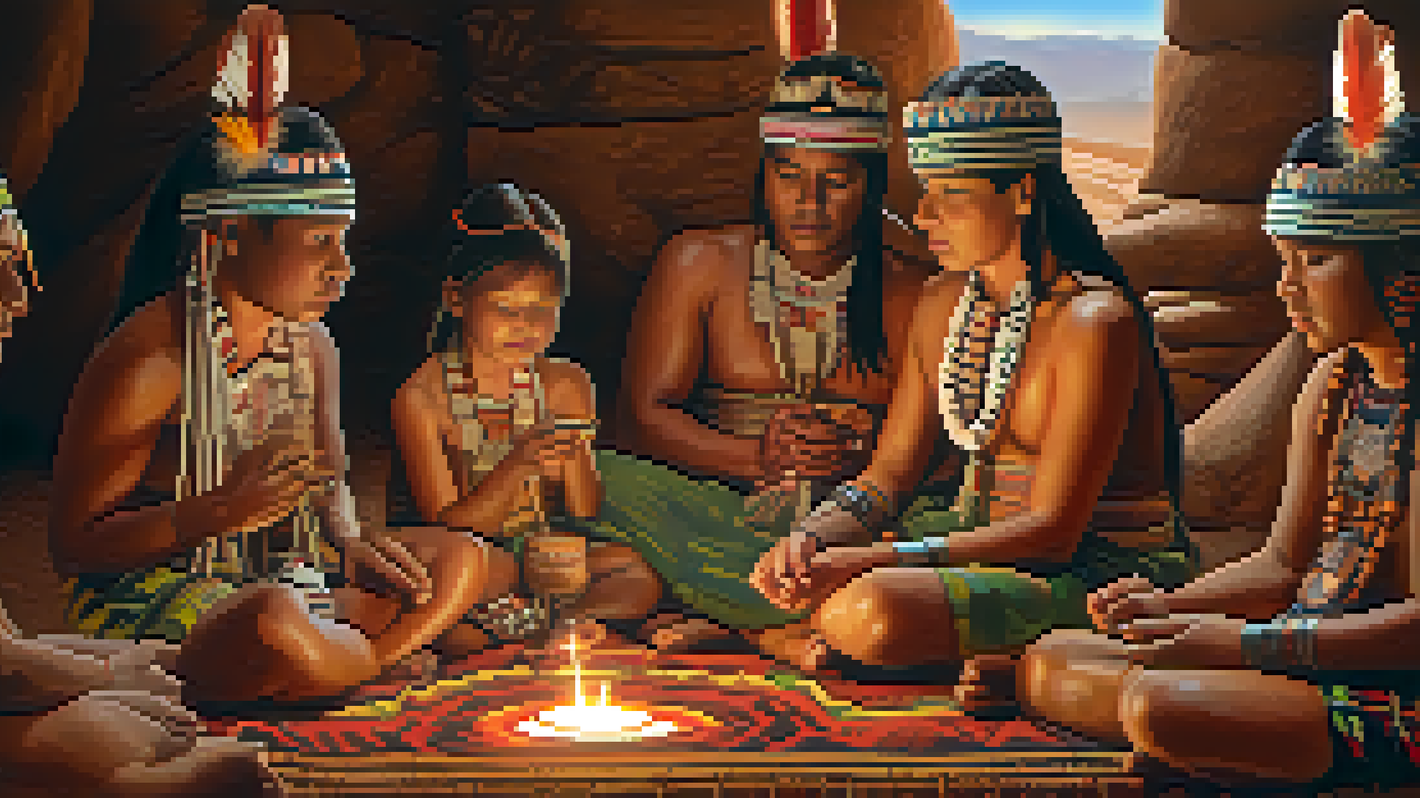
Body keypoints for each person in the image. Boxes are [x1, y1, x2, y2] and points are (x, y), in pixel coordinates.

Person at [1007, 10, 1419, 787]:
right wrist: (1169, 608)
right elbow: (1283, 565)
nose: (1287, 287)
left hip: (1396, 694)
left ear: (1398, 263)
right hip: (1302, 653)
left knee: (1159, 708)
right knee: (1053, 659)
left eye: (1316, 260)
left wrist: (1246, 646)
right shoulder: (1334, 386)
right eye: (1283, 260)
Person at [49, 5, 491, 705]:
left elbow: (328, 488)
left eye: (343, 241)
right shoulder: (150, 361)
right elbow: (75, 546)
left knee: (461, 559)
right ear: (228, 234)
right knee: (270, 622)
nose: (342, 267)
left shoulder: (313, 348)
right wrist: (219, 512)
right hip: (168, 597)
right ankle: (348, 665)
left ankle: (345, 666)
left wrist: (351, 541)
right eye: (318, 242)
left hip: (292, 577)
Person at [0, 44, 278, 796]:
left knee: (142, 690)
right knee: (115, 732)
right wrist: (113, 677)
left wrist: (121, 667)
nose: (21, 299)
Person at [748, 61, 1197, 676]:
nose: (923, 215)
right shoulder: (941, 305)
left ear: (1022, 193)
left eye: (950, 196)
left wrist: (866, 561)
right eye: (924, 191)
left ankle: (1001, 657)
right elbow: (885, 482)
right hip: (970, 553)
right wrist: (812, 538)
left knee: (873, 611)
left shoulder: (1095, 321)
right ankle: (986, 655)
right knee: (793, 573)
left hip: (1094, 576)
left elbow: (1053, 534)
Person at [605, 53, 940, 662]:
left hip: (854, 522)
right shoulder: (697, 262)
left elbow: (944, 444)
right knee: (594, 478)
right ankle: (779, 626)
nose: (809, 201)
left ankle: (737, 620)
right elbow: (641, 419)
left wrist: (866, 457)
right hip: (716, 509)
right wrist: (757, 456)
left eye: (835, 182)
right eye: (789, 176)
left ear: (871, 186)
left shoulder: (920, 291)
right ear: (764, 175)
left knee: (944, 528)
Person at [391, 183, 662, 656]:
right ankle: (524, 630)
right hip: (477, 560)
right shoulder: (421, 396)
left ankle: (557, 628)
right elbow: (446, 526)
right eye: (506, 309)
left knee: (634, 572)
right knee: (459, 576)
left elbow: (584, 511)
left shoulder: (566, 383)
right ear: (457, 299)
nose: (525, 326)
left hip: (540, 556)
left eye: (542, 311)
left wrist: (574, 458)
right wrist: (517, 465)